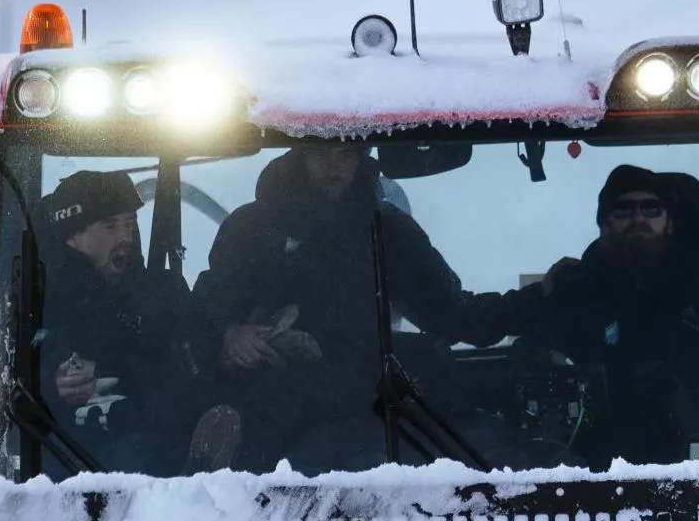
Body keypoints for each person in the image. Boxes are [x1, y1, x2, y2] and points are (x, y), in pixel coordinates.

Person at [191, 143, 524, 470]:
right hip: (278, 406)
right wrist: (230, 334)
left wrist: (537, 304)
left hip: (365, 403)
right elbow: (208, 304)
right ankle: (212, 479)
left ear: (362, 159)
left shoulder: (387, 233)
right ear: (299, 156)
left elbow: (453, 314)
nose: (333, 170)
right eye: (320, 154)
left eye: (346, 155)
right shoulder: (250, 229)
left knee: (489, 451)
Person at [518, 165, 699, 468]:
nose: (638, 219)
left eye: (651, 208)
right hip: (591, 469)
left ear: (669, 222)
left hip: (696, 458)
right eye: (623, 210)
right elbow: (538, 358)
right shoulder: (576, 290)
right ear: (604, 224)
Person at [38, 168, 239, 476]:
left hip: (156, 451)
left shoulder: (165, 295)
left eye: (130, 223)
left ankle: (196, 476)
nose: (126, 236)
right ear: (72, 236)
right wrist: (50, 384)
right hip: (51, 469)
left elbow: (197, 374)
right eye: (110, 226)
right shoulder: (32, 299)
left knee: (137, 456)